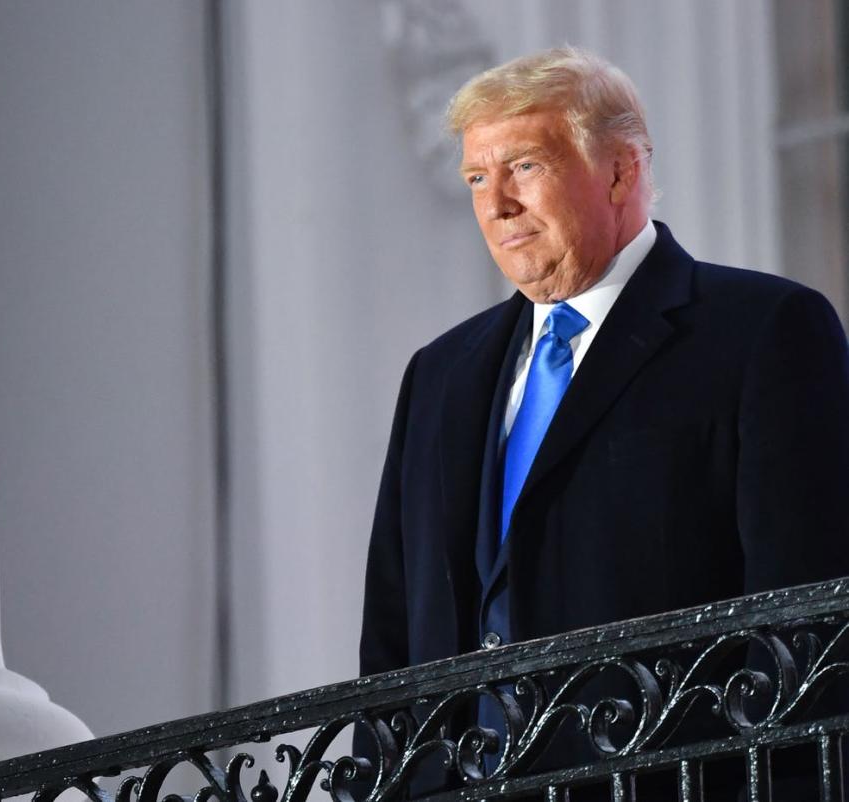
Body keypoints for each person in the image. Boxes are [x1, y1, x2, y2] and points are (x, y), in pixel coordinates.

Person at [357, 46, 849, 795]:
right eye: (477, 179)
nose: (497, 206)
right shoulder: (440, 374)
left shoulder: (764, 331)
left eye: (523, 167)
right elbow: (392, 637)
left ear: (620, 170)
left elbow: (807, 616)